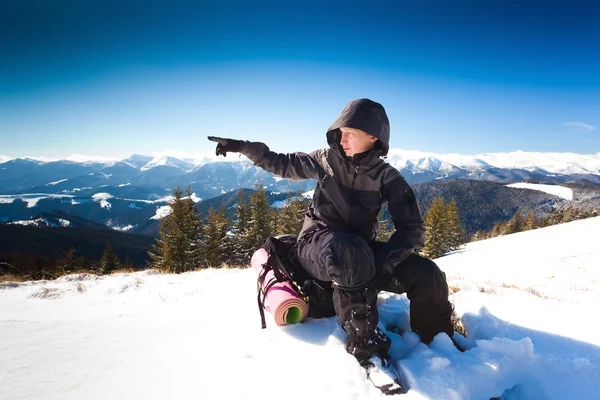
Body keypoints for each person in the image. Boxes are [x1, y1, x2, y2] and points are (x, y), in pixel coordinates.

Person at [208, 98, 456, 395]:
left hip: (357, 254)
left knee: (427, 273)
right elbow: (283, 163)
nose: (342, 138)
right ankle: (369, 353)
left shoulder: (387, 177)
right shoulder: (325, 160)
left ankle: (440, 344)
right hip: (315, 245)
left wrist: (383, 262)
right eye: (340, 131)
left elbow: (412, 231)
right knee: (351, 251)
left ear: (373, 137)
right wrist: (244, 147)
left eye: (351, 132)